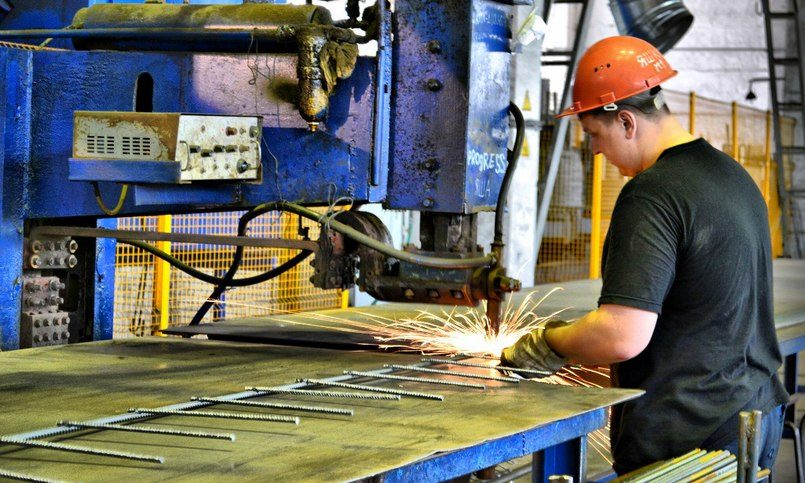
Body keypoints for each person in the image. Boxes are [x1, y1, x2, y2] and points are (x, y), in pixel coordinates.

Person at [501, 35, 789, 475]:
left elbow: (622, 334)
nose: (595, 150)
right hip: (754, 416)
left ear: (627, 122)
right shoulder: (733, 175)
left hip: (692, 443)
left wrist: (548, 343)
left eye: (595, 134)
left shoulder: (651, 194)